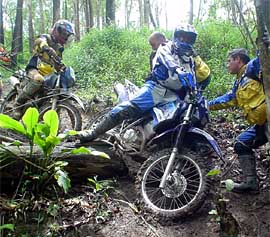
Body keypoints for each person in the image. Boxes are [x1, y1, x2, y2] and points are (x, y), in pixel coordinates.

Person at [74, 23, 210, 143]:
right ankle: (93, 132)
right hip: (156, 89)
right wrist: (177, 70)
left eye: (188, 38)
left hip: (173, 96)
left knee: (179, 120)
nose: (184, 41)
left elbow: (193, 79)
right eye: (182, 37)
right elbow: (166, 59)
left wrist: (193, 91)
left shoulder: (190, 60)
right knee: (127, 108)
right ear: (176, 36)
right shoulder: (165, 48)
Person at [209, 48, 267, 193]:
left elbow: (264, 57)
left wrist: (265, 44)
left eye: (229, 61)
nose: (227, 64)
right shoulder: (239, 83)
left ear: (239, 60)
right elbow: (228, 99)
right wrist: (206, 105)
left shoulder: (253, 67)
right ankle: (251, 183)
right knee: (241, 143)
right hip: (261, 125)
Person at [13, 19, 75, 118]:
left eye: (67, 35)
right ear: (57, 31)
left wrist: (62, 68)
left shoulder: (59, 48)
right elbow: (40, 41)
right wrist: (46, 47)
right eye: (64, 34)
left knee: (50, 92)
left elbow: (57, 63)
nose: (65, 37)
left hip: (48, 74)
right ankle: (18, 104)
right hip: (34, 69)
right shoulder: (46, 38)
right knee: (38, 80)